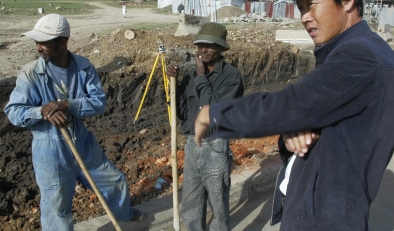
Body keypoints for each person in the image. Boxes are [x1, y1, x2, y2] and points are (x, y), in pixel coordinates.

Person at [194, 0, 394, 231]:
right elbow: (318, 120)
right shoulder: (356, 52)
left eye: (312, 4)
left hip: (324, 220)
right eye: (300, 7)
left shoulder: (360, 55)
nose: (304, 17)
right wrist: (294, 130)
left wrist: (216, 115)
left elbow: (290, 105)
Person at [5, 14, 141, 231]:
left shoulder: (83, 67)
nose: (38, 47)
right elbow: (13, 112)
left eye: (43, 42)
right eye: (36, 42)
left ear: (62, 42)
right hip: (50, 149)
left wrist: (67, 105)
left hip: (82, 142)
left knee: (114, 182)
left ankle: (123, 222)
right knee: (57, 208)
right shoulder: (31, 74)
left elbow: (98, 103)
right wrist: (43, 112)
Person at [167, 22, 244, 231]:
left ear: (220, 49)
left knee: (218, 206)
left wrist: (201, 77)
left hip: (215, 145)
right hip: (193, 145)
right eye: (201, 45)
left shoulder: (231, 76)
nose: (203, 50)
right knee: (191, 204)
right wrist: (172, 83)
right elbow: (182, 112)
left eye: (209, 46)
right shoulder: (191, 75)